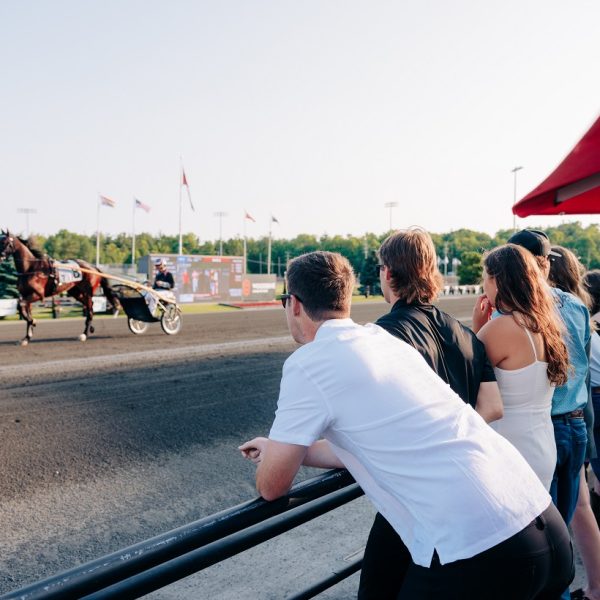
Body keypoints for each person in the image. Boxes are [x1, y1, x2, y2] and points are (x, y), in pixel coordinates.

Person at [240, 250, 573, 599]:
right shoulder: (381, 340)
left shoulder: (308, 363)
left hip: (480, 545)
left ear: (294, 304)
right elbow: (365, 444)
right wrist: (288, 449)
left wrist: (276, 457)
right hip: (541, 520)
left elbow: (272, 487)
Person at [359, 228, 503, 600]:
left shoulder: (381, 336)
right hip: (464, 494)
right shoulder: (467, 335)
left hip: (412, 500)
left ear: (388, 273)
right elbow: (492, 407)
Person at [472, 244, 569, 491]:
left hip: (510, 452)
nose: (484, 286)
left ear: (497, 281)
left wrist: (477, 329)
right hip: (541, 446)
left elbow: (468, 377)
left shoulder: (501, 328)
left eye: (485, 278)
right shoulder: (545, 325)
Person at [548, 250, 600, 600]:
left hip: (557, 422)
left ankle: (564, 589)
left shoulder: (550, 314)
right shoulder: (580, 311)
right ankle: (595, 586)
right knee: (579, 508)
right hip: (581, 420)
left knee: (554, 517)